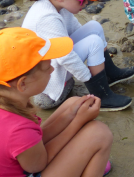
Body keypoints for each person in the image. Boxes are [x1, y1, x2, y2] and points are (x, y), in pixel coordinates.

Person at [0, 27, 113, 177]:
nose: (52, 70)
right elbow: (39, 164)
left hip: (25, 160)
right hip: (33, 166)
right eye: (47, 67)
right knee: (99, 133)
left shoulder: (9, 103)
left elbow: (34, 141)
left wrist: (70, 116)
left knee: (71, 104)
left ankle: (88, 160)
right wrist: (77, 121)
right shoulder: (17, 130)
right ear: (23, 84)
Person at [22, 0, 134, 111]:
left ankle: (109, 73)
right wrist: (89, 78)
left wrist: (95, 62)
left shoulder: (58, 5)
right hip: (48, 81)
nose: (86, 3)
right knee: (93, 42)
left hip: (54, 62)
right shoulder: (46, 18)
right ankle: (101, 94)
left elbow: (76, 31)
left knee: (94, 27)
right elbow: (65, 56)